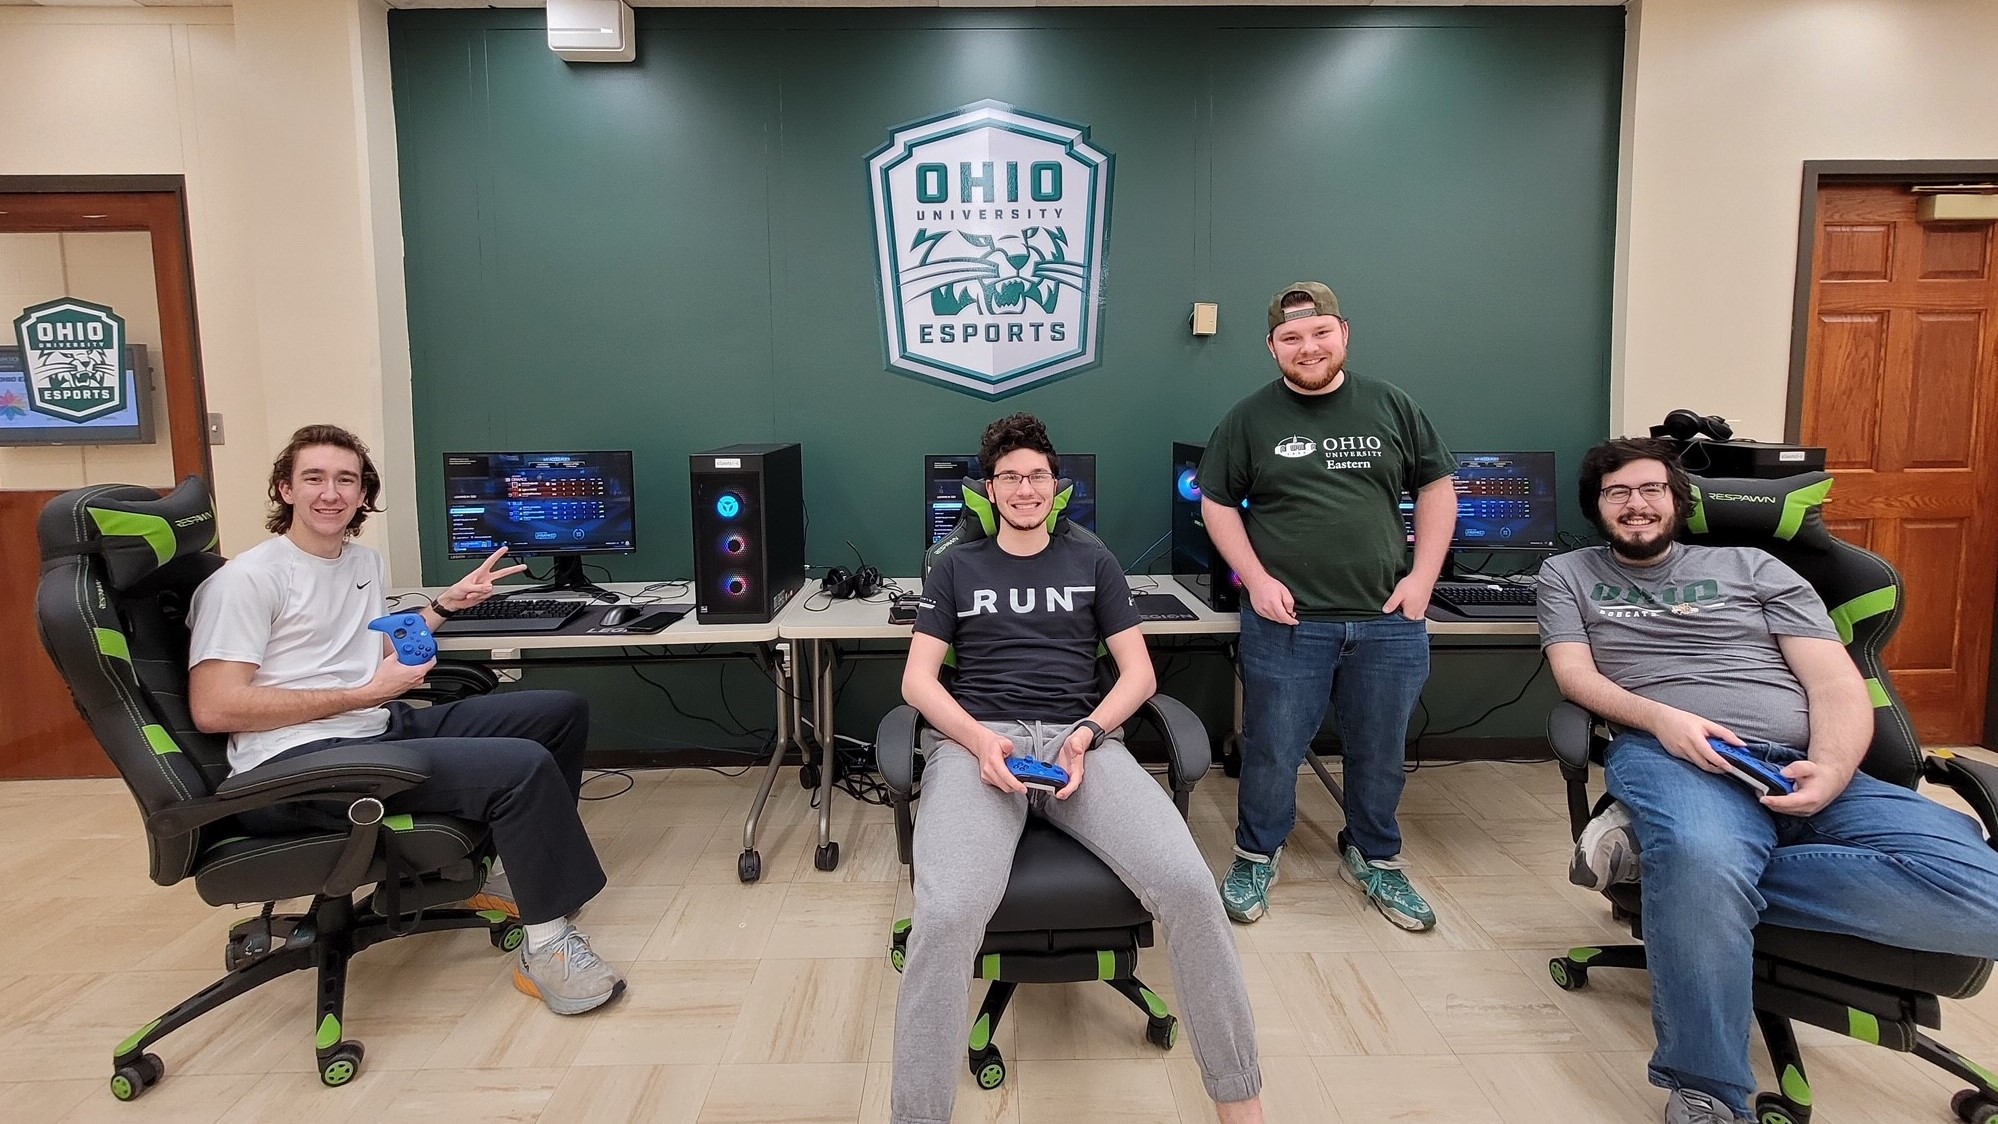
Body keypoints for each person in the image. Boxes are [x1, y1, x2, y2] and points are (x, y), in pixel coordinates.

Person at [1540, 437, 1998, 1124]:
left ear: (1677, 501)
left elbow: (1835, 682)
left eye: (1651, 489)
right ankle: (1707, 1090)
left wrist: (1833, 767)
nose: (1636, 504)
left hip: (1799, 761)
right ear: (1597, 507)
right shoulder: (1569, 574)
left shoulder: (1753, 566)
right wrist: (1664, 720)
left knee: (1984, 898)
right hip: (1673, 756)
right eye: (1618, 493)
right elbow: (1576, 677)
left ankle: (1660, 867)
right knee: (1703, 860)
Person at [892, 414, 1263, 1124]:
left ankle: (1240, 1100)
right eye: (1009, 477)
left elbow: (1139, 674)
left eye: (1037, 475)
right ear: (990, 489)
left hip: (1079, 744)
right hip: (981, 745)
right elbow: (918, 681)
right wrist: (977, 741)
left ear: (1056, 486)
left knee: (1191, 887)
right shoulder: (956, 566)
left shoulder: (1092, 560)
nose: (1025, 489)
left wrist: (1090, 732)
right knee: (946, 913)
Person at [187, 424, 625, 1016]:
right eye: (314, 478)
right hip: (296, 767)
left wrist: (444, 606)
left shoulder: (361, 561)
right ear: (285, 490)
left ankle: (505, 873)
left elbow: (360, 655)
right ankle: (546, 948)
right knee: (520, 766)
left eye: (346, 480)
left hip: (369, 727)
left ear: (363, 493)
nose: (330, 493)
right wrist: (365, 694)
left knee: (558, 713)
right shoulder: (246, 580)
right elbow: (215, 707)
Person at [1199, 281, 1457, 930]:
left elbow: (1437, 488)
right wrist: (1255, 578)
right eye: (1291, 337)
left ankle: (1375, 856)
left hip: (1388, 620)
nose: (1307, 347)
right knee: (1272, 750)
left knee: (1380, 752)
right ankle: (1256, 855)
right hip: (1287, 624)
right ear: (1272, 347)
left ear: (1344, 334)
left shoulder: (1391, 406)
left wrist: (1423, 579)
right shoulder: (1249, 419)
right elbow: (1217, 502)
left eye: (1319, 333)